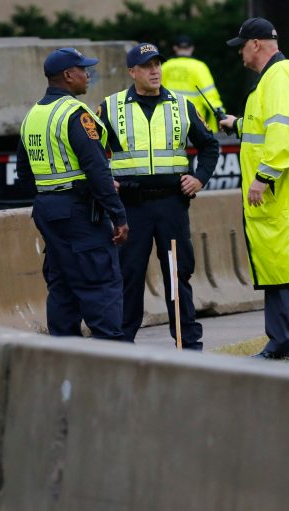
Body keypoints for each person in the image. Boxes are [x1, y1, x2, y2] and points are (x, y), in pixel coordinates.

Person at [219, 18, 289, 360]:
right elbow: (268, 126)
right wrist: (237, 125)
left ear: (256, 44)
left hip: (281, 192)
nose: (240, 52)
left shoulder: (278, 78)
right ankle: (284, 341)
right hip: (284, 193)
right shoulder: (277, 78)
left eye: (241, 44)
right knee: (279, 267)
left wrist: (263, 177)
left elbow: (283, 134)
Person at [98, 43, 219, 347]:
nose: (155, 71)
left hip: (171, 205)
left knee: (178, 276)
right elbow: (92, 153)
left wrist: (200, 178)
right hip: (131, 206)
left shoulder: (181, 104)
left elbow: (209, 145)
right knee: (129, 276)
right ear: (132, 72)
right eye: (147, 66)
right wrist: (105, 181)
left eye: (157, 65)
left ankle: (187, 343)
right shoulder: (110, 108)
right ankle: (122, 345)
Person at [16, 47, 130, 341]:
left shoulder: (33, 116)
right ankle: (112, 357)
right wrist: (118, 215)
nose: (88, 74)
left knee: (63, 286)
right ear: (68, 76)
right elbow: (97, 169)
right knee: (100, 283)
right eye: (83, 69)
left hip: (48, 210)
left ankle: (65, 359)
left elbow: (24, 173)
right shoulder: (75, 115)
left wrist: (51, 194)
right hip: (80, 213)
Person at [162, 34, 226, 133]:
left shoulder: (165, 66)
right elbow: (211, 96)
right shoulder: (199, 67)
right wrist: (222, 116)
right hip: (194, 124)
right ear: (192, 48)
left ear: (175, 48)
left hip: (167, 122)